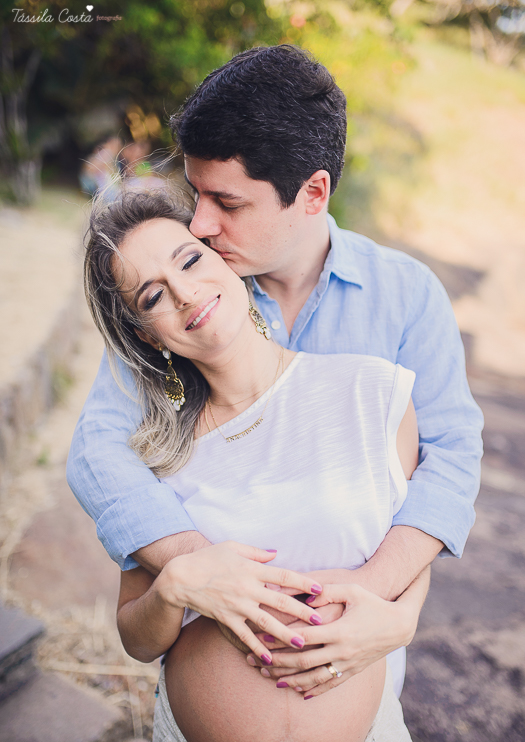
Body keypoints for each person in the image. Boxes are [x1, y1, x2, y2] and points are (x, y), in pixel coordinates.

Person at [67, 45, 483, 695]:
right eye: (196, 194)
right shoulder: (189, 287)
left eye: (226, 202)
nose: (199, 222)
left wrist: (386, 605)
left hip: (354, 685)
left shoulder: (404, 295)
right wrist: (198, 568)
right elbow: (98, 449)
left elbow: (450, 458)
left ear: (313, 192)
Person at [83, 188, 431, 742]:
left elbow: (409, 552)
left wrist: (403, 619)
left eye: (189, 261)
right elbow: (137, 638)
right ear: (148, 335)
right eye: (153, 296)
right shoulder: (156, 457)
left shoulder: (371, 396)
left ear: (229, 263)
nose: (185, 293)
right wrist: (175, 586)